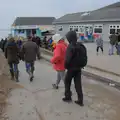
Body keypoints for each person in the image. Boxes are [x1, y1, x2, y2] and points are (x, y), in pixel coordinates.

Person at [62, 31, 87, 107]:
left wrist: (66, 66)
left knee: (67, 82)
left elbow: (67, 59)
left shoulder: (70, 46)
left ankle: (68, 97)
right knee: (78, 84)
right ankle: (80, 100)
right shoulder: (81, 45)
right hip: (79, 68)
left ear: (70, 38)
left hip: (71, 69)